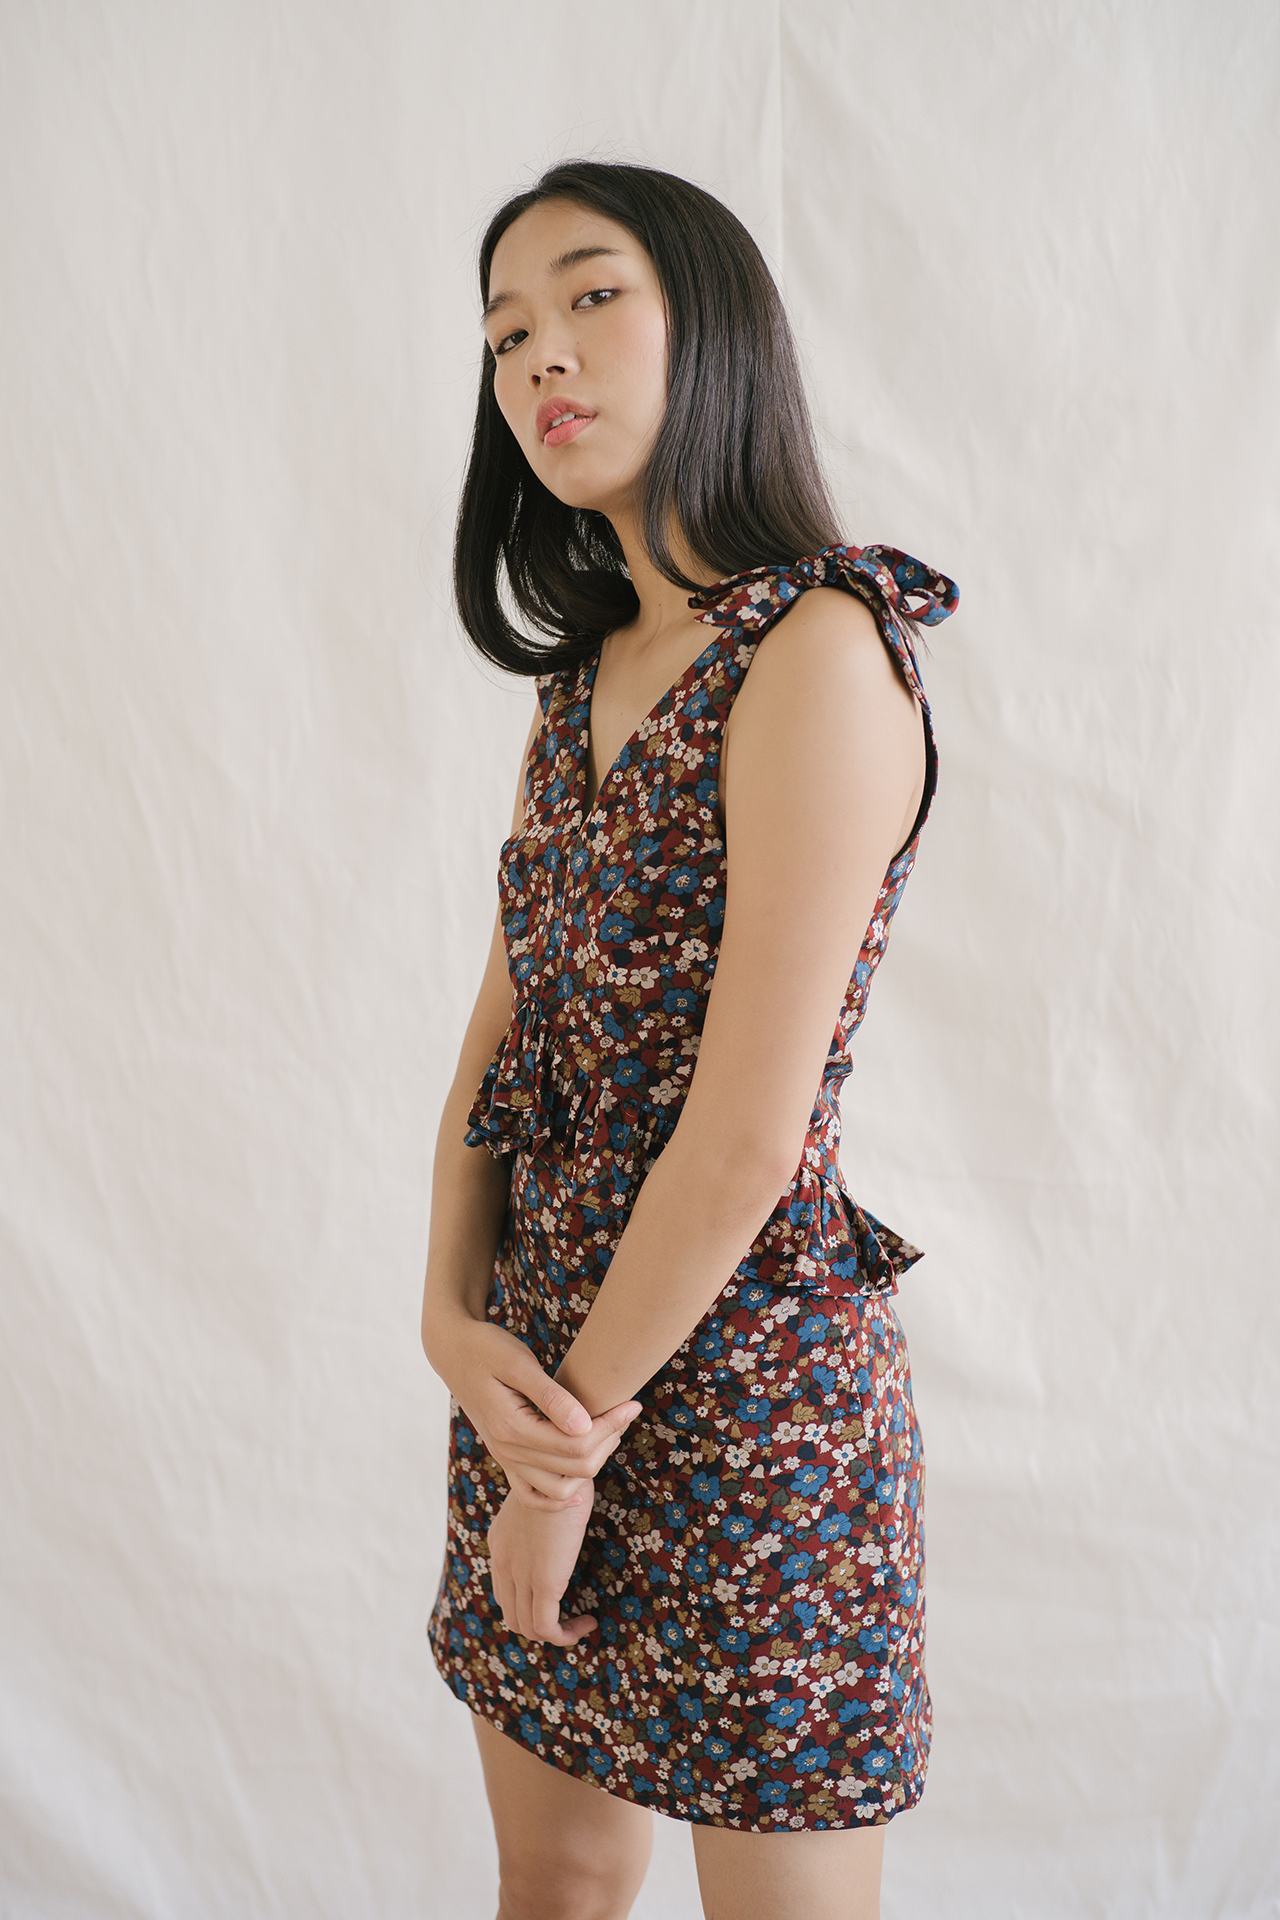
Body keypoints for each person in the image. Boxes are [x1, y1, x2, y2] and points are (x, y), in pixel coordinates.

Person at [422, 159, 957, 1920]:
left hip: (744, 1409)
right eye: (505, 334)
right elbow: (500, 1040)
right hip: (537, 1378)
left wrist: (563, 1456)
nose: (540, 359)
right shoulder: (581, 682)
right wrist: (449, 1318)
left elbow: (744, 1139)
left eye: (590, 298)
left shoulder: (819, 647)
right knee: (558, 1880)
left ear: (713, 327)